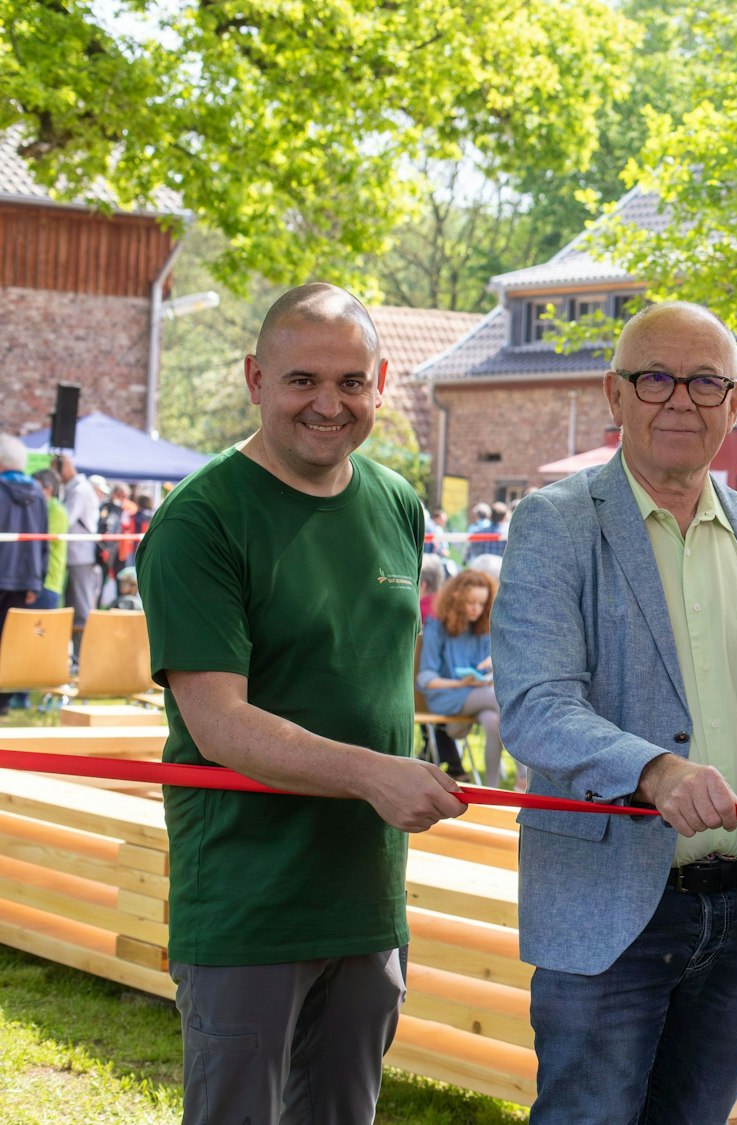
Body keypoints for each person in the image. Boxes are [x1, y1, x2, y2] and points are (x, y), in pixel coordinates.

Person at [136, 282, 466, 1125]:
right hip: (250, 899)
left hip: (365, 895)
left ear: (383, 382)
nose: (329, 404)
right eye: (302, 381)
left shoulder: (395, 502)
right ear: (255, 378)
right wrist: (371, 774)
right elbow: (219, 723)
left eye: (351, 381)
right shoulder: (200, 521)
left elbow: (377, 674)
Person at [492, 300, 737, 1124]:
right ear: (615, 394)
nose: (680, 399)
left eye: (705, 381)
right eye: (655, 378)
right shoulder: (556, 523)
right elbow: (535, 706)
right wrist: (651, 768)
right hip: (609, 907)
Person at [418, 570, 502, 785]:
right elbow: (425, 678)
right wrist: (460, 683)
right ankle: (523, 778)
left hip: (475, 697)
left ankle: (492, 788)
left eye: (482, 603)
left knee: (493, 721)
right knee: (502, 700)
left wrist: (488, 667)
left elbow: (483, 672)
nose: (477, 609)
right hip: (445, 697)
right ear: (456, 599)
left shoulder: (481, 629)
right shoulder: (437, 627)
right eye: (471, 602)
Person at [0, 435, 50, 715]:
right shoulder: (38, 495)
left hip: (4, 575)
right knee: (12, 643)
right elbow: (43, 540)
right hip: (25, 580)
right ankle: (5, 702)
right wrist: (37, 579)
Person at [52, 453, 100, 629]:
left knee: (80, 607)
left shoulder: (79, 491)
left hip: (80, 556)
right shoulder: (76, 489)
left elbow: (65, 520)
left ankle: (82, 655)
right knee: (74, 605)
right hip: (75, 555)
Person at [30, 469, 66, 612]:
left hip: (48, 582)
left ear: (49, 489)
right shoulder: (42, 507)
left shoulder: (56, 510)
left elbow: (38, 541)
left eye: (36, 487)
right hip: (37, 581)